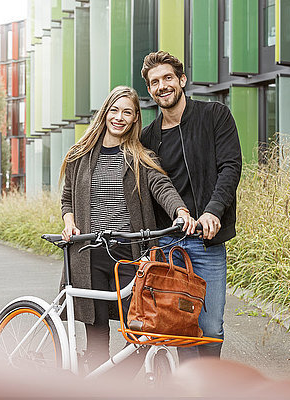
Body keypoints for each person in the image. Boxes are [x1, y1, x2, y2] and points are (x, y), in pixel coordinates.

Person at [60, 85, 197, 372]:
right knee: (96, 336)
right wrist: (69, 222)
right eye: (114, 110)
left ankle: (113, 385)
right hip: (88, 251)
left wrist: (180, 210)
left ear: (135, 119)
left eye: (127, 112)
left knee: (142, 331)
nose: (119, 117)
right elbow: (67, 197)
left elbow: (162, 186)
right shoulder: (80, 155)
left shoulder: (140, 158)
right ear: (105, 113)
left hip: (129, 254)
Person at [140, 51, 242, 360]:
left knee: (211, 327)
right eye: (155, 82)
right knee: (178, 325)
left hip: (208, 243)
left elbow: (230, 167)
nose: (162, 86)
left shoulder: (215, 115)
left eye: (168, 78)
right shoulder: (148, 137)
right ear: (149, 90)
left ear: (182, 80)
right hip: (170, 243)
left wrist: (213, 210)